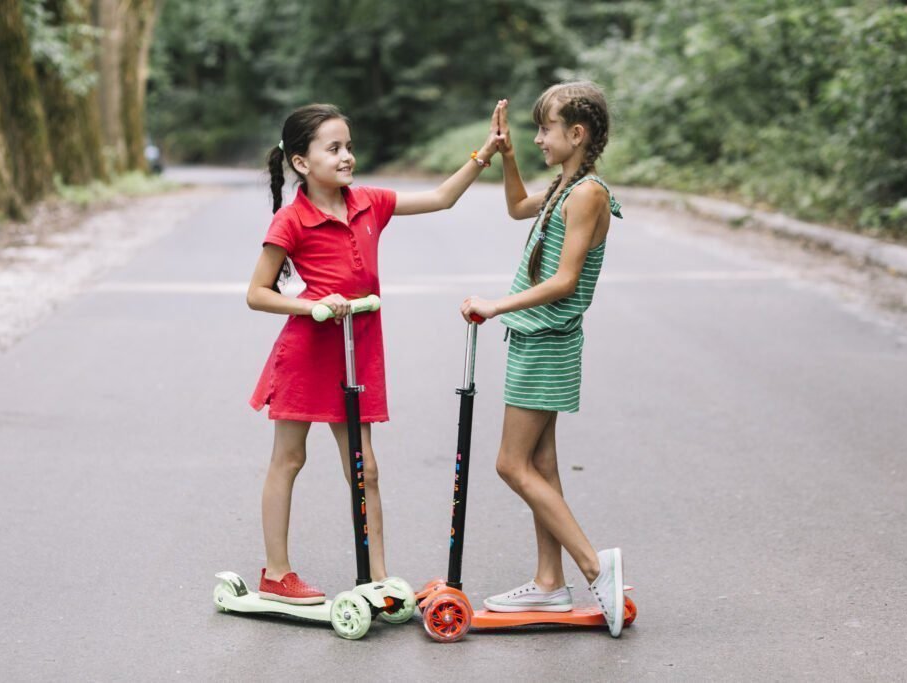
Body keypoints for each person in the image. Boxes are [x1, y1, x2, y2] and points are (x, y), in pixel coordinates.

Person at [246, 102, 505, 604]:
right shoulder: (291, 220)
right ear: (301, 162)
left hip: (354, 353)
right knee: (289, 459)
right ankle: (276, 573)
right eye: (334, 148)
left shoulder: (369, 202)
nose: (347, 156)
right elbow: (257, 293)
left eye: (349, 147)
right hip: (308, 351)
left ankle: (378, 578)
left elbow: (441, 198)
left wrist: (483, 153)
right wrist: (314, 306)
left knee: (364, 468)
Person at [459, 82, 628, 637]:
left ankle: (593, 567)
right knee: (543, 466)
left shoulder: (587, 194)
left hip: (548, 340)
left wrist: (495, 304)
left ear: (576, 134)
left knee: (510, 464)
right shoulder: (564, 186)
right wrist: (505, 156)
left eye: (545, 129)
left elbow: (565, 280)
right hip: (537, 340)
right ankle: (550, 583)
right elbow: (514, 208)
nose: (536, 138)